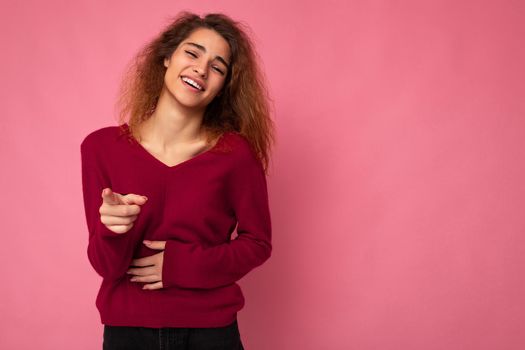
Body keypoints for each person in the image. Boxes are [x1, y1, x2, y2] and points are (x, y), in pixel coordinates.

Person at [80, 11, 275, 350]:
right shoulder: (100, 147)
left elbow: (257, 243)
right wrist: (113, 228)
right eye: (192, 52)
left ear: (223, 86)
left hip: (211, 332)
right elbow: (106, 267)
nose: (201, 68)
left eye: (218, 67)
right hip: (127, 333)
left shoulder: (236, 155)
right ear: (167, 57)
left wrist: (183, 265)